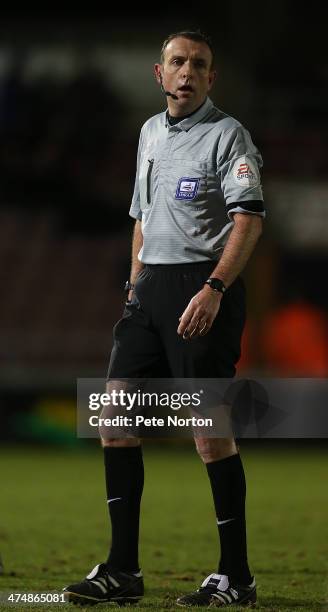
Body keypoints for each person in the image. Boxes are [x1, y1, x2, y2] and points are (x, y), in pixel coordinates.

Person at [64, 30, 265, 607]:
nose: (187, 72)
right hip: (148, 291)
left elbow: (248, 220)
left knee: (209, 436)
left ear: (211, 78)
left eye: (198, 65)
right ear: (160, 73)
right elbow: (142, 218)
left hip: (202, 287)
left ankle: (237, 577)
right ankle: (123, 570)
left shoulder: (229, 137)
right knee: (115, 420)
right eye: (177, 62)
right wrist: (133, 289)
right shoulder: (150, 132)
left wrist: (214, 288)